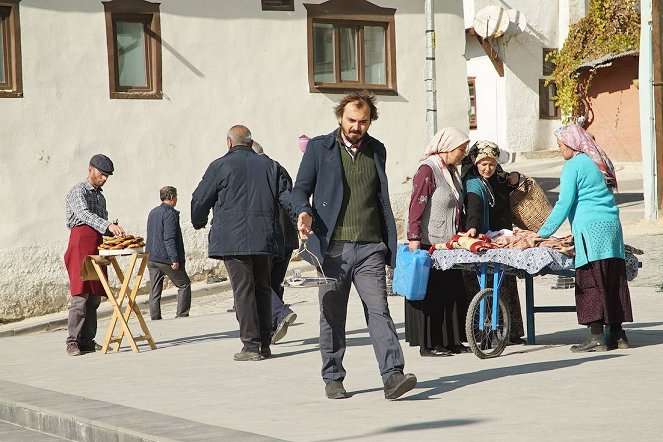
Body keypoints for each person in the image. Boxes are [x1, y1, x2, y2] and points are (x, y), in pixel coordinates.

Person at [292, 91, 416, 400]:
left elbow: (379, 197)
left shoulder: (377, 150)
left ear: (370, 121)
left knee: (379, 310)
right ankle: (333, 376)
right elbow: (299, 190)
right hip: (333, 248)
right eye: (351, 120)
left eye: (363, 122)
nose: (356, 127)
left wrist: (389, 242)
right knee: (332, 314)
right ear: (340, 117)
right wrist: (304, 212)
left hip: (370, 246)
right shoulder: (320, 148)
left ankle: (393, 376)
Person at [191, 125, 294, 361]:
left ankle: (250, 346)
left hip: (233, 239)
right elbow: (287, 197)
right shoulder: (271, 166)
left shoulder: (220, 165)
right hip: (265, 237)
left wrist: (199, 221)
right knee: (262, 288)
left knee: (244, 291)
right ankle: (264, 345)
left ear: (229, 142)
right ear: (250, 142)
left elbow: (200, 198)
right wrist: (301, 219)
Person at [537, 123, 633, 352]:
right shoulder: (600, 160)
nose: (560, 149)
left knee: (590, 280)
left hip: (590, 230)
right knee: (611, 278)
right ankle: (619, 335)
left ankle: (597, 336)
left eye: (561, 145)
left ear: (572, 144)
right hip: (612, 228)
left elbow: (563, 204)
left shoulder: (574, 165)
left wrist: (542, 233)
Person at [405, 127, 471, 357]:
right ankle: (429, 344)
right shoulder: (428, 170)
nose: (463, 153)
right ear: (447, 147)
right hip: (429, 243)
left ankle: (451, 340)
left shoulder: (451, 171)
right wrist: (413, 237)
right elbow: (416, 205)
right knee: (431, 293)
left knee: (450, 292)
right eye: (460, 149)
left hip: (450, 244)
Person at [462, 141, 525, 345]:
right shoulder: (473, 183)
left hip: (502, 239)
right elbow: (474, 207)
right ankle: (484, 334)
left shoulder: (499, 178)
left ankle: (511, 333)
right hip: (480, 240)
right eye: (483, 164)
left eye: (491, 164)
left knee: (505, 283)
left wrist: (516, 179)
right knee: (482, 286)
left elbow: (513, 185)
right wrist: (473, 227)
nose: (487, 168)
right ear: (474, 162)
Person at [64, 154, 125, 356]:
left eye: (107, 176)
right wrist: (106, 224)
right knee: (80, 296)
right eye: (102, 174)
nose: (104, 178)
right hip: (80, 246)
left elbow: (102, 220)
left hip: (96, 246)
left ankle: (88, 340)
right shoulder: (78, 191)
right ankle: (72, 341)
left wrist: (112, 230)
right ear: (90, 169)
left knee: (94, 297)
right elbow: (84, 215)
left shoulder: (100, 196)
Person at [250, 141, 299, 345]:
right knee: (274, 283)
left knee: (258, 282)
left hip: (269, 236)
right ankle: (272, 329)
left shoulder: (257, 172)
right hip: (287, 237)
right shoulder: (280, 168)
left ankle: (279, 313)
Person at [146, 186, 192, 320]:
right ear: (172, 197)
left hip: (151, 256)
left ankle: (155, 318)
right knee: (184, 284)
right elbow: (169, 238)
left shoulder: (153, 212)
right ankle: (182, 315)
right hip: (164, 257)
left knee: (155, 290)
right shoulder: (170, 213)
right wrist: (174, 259)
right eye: (176, 197)